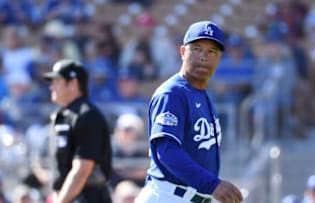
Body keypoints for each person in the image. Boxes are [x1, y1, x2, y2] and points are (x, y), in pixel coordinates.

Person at [135, 21, 243, 203]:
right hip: (168, 196)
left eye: (212, 51)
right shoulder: (172, 93)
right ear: (183, 52)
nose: (204, 57)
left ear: (219, 58)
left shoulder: (202, 95)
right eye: (197, 49)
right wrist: (212, 185)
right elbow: (166, 150)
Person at [42, 59, 112, 203]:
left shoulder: (87, 115)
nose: (51, 87)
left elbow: (83, 169)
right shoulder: (63, 115)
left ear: (73, 83)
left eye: (57, 81)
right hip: (68, 197)